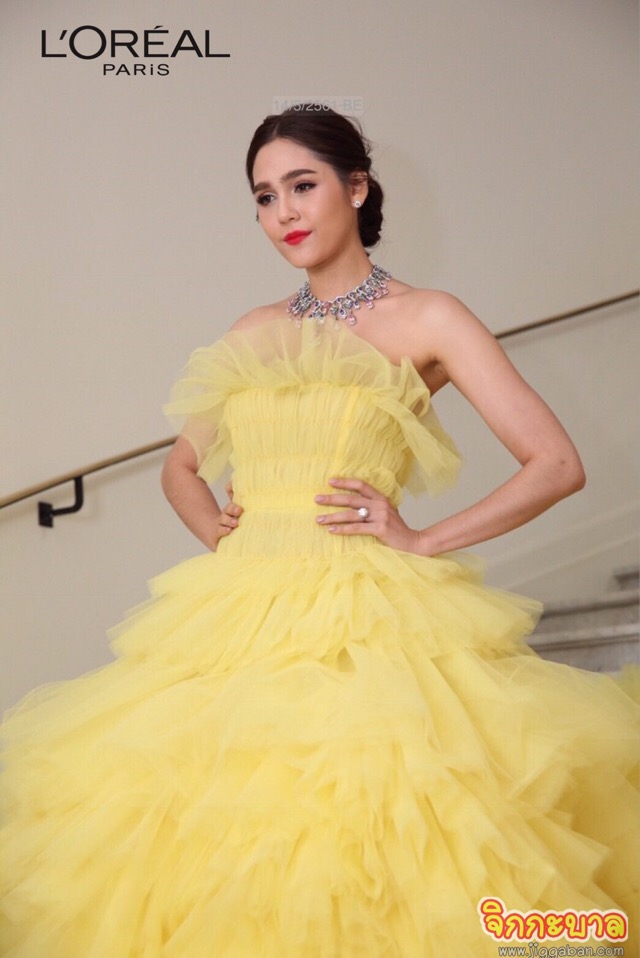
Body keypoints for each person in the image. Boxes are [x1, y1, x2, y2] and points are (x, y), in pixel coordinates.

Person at [1, 106, 637, 957]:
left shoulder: (429, 318)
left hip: (363, 617)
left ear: (357, 187)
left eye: (302, 185)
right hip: (238, 620)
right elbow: (180, 468)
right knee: (212, 840)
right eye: (265, 197)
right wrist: (227, 533)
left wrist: (421, 540)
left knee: (371, 838)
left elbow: (555, 462)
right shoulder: (255, 331)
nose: (284, 213)